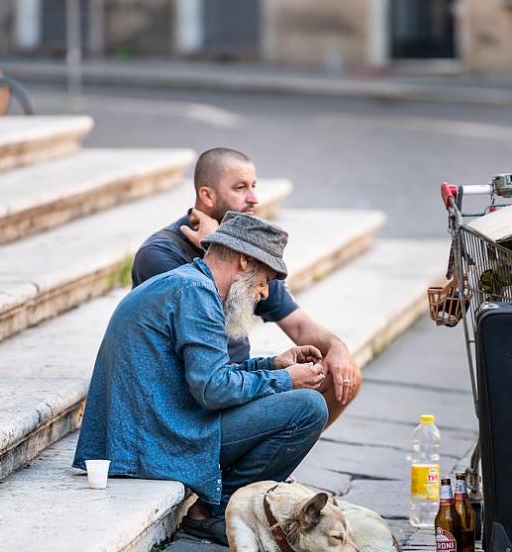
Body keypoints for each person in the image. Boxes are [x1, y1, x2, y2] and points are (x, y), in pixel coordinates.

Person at [74, 212, 330, 546]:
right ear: (243, 261)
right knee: (308, 407)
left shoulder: (189, 284)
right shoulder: (196, 293)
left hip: (148, 434)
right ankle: (220, 513)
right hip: (150, 445)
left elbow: (209, 378)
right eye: (265, 278)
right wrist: (287, 381)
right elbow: (213, 390)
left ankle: (216, 507)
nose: (265, 292)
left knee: (295, 399)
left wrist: (274, 366)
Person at [131, 147, 361, 426]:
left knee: (343, 376)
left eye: (254, 186)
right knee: (305, 404)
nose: (253, 199)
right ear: (207, 195)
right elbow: (198, 319)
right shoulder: (159, 255)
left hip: (239, 379)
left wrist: (337, 348)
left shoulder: (249, 252)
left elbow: (299, 326)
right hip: (193, 394)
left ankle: (275, 457)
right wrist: (214, 248)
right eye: (240, 188)